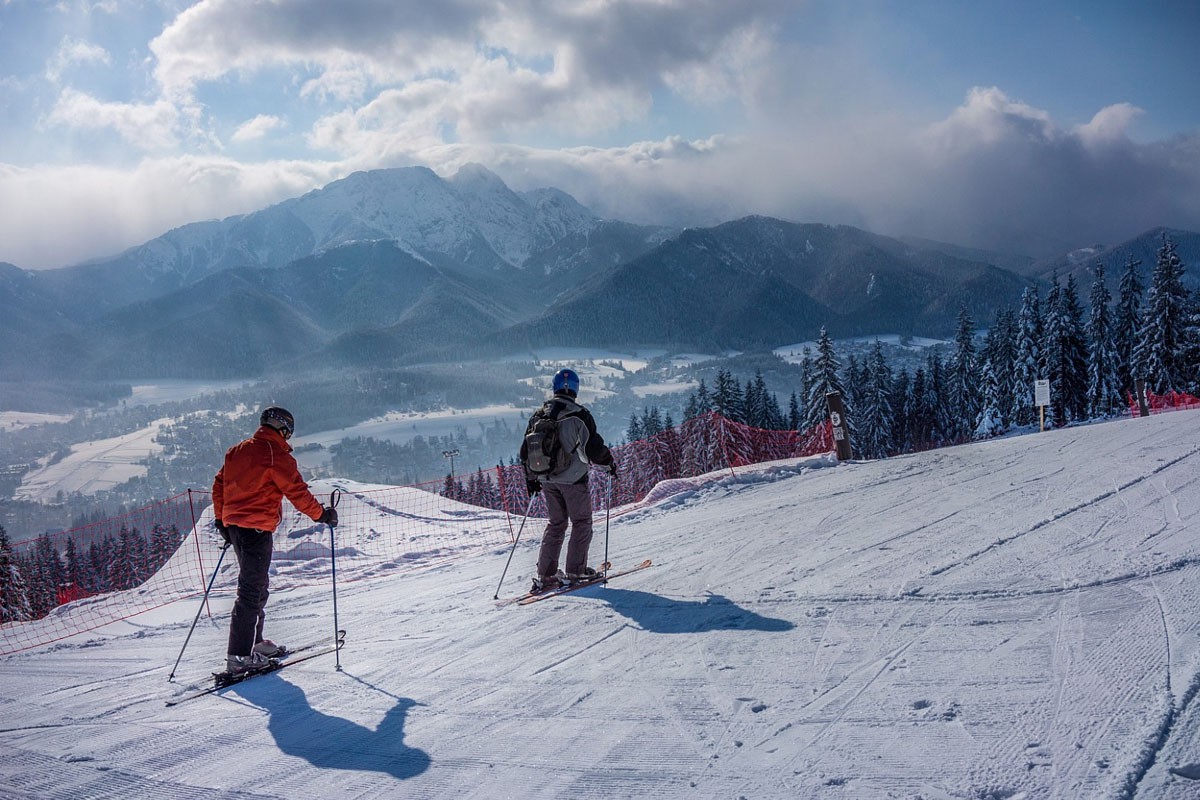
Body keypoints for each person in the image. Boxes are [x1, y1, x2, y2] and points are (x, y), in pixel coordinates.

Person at [212, 407, 337, 675]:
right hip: (256, 529)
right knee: (250, 591)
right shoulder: (275, 455)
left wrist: (221, 520)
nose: (288, 437)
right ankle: (239, 658)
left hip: (235, 528)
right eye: (288, 432)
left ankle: (254, 644)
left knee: (257, 586)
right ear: (282, 429)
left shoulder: (237, 451)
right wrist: (322, 515)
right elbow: (297, 492)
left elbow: (219, 484)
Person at [520, 368, 616, 593]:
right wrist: (609, 464)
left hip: (546, 479)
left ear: (554, 387)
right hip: (573, 479)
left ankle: (546, 574)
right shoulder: (579, 414)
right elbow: (593, 448)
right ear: (575, 388)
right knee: (581, 522)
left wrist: (531, 479)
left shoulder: (538, 415)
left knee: (556, 523)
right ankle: (575, 571)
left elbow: (526, 451)